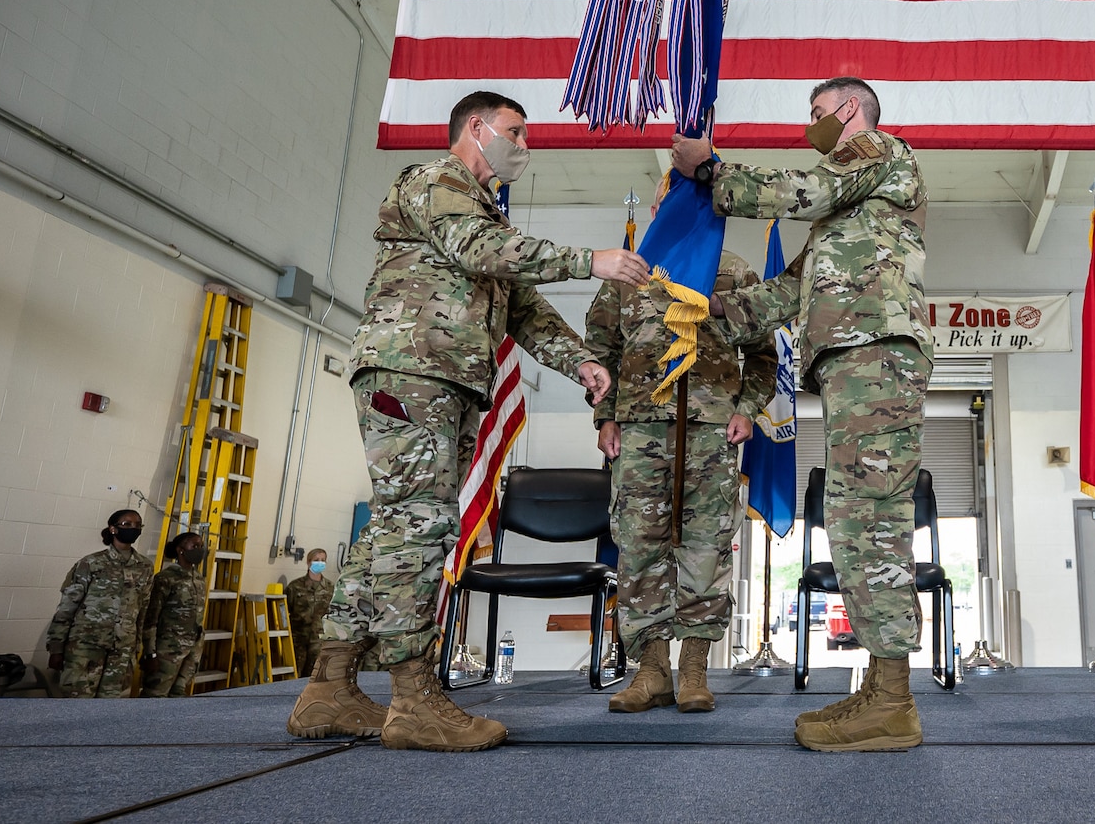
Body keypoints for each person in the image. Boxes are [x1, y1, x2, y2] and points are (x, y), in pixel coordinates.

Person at [287, 90, 646, 753]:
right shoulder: (437, 181)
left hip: (443, 379)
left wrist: (585, 365)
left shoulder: (486, 215)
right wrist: (588, 260)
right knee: (422, 525)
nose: (525, 148)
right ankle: (415, 696)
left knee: (393, 527)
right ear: (476, 128)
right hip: (411, 368)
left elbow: (527, 313)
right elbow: (477, 246)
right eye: (516, 133)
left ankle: (329, 686)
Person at [671, 76, 931, 753]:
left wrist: (714, 171)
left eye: (817, 114)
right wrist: (715, 311)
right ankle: (881, 686)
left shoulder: (878, 151)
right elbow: (788, 291)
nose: (811, 125)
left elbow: (802, 189)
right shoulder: (849, 214)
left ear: (849, 111)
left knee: (872, 520)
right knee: (853, 519)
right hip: (854, 361)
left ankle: (895, 700)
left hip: (876, 354)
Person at [589, 247, 778, 715]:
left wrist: (747, 408)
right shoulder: (626, 270)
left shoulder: (733, 269)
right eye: (665, 199)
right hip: (638, 427)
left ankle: (695, 668)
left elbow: (763, 353)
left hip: (712, 428)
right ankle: (652, 671)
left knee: (706, 546)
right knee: (638, 546)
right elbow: (601, 349)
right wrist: (605, 417)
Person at [44, 509, 153, 698]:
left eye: (137, 525)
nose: (133, 528)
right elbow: (67, 608)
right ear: (113, 529)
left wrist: (141, 648)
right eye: (127, 524)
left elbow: (143, 610)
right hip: (86, 647)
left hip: (122, 649)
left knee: (111, 707)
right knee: (77, 701)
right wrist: (56, 648)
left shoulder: (145, 566)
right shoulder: (91, 563)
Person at [141, 533, 209, 697]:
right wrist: (150, 653)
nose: (199, 550)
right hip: (167, 650)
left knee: (178, 696)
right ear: (180, 550)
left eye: (201, 546)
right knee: (154, 696)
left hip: (192, 648)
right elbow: (150, 618)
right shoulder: (166, 578)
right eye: (194, 546)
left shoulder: (199, 579)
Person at [284, 548, 334, 678]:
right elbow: (285, 612)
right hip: (298, 639)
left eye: (323, 560)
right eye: (316, 560)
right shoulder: (295, 586)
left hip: (318, 640)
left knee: (314, 675)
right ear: (308, 562)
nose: (320, 563)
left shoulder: (330, 587)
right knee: (294, 673)